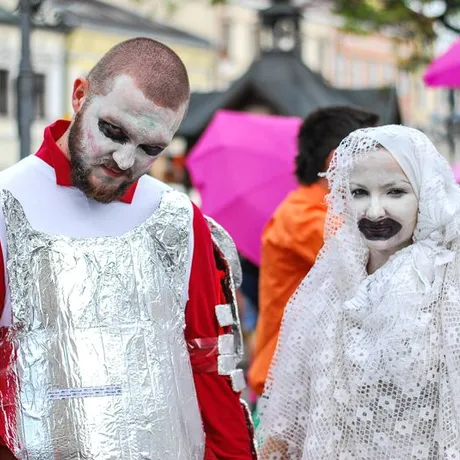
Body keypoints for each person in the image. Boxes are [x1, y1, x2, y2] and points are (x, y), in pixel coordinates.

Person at [0, 38, 256, 460]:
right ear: (79, 95)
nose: (123, 159)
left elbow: (209, 364)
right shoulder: (7, 202)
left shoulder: (176, 217)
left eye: (150, 148)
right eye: (113, 131)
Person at [258, 125, 460, 459]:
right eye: (359, 192)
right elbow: (289, 418)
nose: (374, 211)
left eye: (395, 192)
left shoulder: (448, 282)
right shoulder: (330, 282)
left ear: (426, 193)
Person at [248, 106, 379, 396]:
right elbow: (368, 261)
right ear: (337, 158)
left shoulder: (321, 208)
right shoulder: (302, 215)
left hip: (307, 377)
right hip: (288, 384)